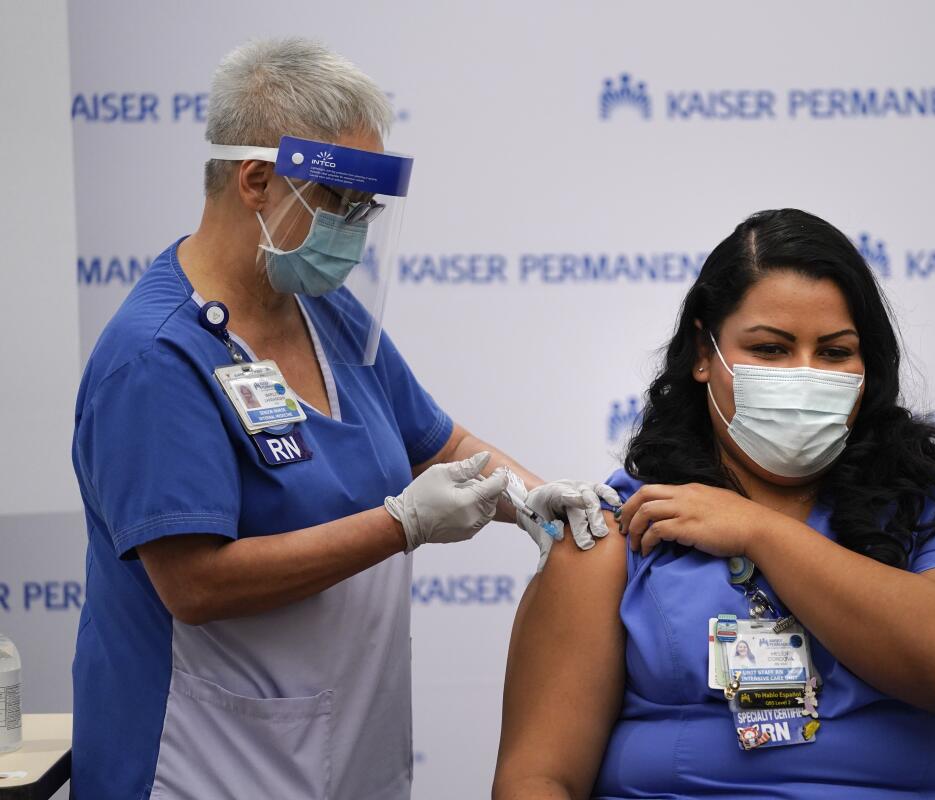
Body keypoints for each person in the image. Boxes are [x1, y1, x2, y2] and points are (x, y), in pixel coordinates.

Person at [70, 38, 615, 800]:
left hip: (350, 754)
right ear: (257, 180)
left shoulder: (320, 309)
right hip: (200, 765)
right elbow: (194, 586)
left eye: (367, 207)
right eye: (340, 202)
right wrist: (400, 526)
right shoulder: (155, 357)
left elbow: (439, 445)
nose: (354, 228)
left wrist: (529, 495)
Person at [493, 209, 935, 799]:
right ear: (705, 353)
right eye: (771, 350)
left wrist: (760, 532)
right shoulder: (620, 524)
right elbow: (538, 779)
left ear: (868, 366)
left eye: (833, 353)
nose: (804, 374)